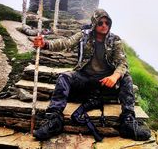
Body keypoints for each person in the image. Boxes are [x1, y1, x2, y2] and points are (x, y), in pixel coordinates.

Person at [33, 9, 151, 141]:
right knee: (64, 77)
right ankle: (54, 120)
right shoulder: (84, 36)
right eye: (100, 23)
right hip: (85, 78)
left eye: (107, 22)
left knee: (127, 78)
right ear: (94, 23)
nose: (104, 25)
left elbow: (122, 63)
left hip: (106, 81)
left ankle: (128, 122)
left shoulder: (115, 40)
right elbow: (66, 43)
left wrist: (114, 76)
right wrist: (45, 44)